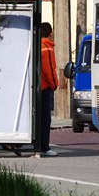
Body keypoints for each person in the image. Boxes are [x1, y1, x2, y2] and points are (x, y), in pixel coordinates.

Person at [40, 22, 59, 157]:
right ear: (50, 34)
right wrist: (54, 85)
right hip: (44, 87)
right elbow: (49, 70)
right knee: (46, 118)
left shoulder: (36, 45)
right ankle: (44, 147)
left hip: (35, 86)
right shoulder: (47, 48)